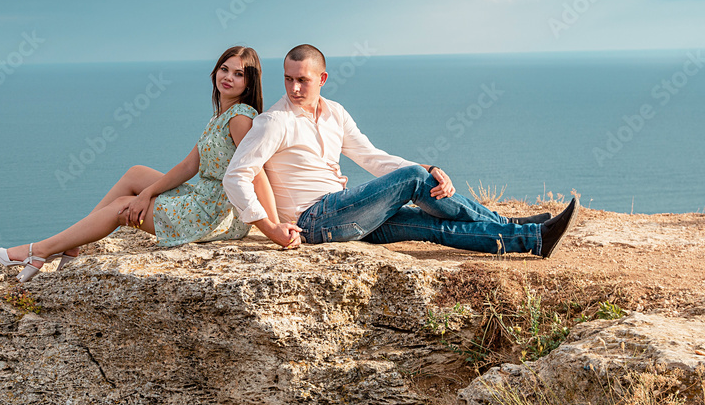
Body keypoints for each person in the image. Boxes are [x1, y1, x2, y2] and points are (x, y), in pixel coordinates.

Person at [223, 44, 578, 258]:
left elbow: (373, 158)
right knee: (411, 179)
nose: (295, 87)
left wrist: (431, 167)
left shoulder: (335, 113)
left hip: (348, 212)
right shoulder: (274, 122)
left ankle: (532, 239)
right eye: (288, 79)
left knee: (433, 226)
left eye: (303, 80)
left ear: (323, 79)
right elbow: (236, 176)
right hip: (314, 220)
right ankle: (507, 223)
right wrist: (269, 227)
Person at [0, 46, 284, 282]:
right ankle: (72, 244)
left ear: (249, 83)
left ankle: (38, 251)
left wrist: (272, 227)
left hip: (213, 213)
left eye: (239, 74)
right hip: (204, 196)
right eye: (224, 69)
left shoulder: (240, 117)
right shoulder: (220, 116)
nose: (228, 78)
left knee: (122, 206)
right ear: (215, 71)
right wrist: (146, 193)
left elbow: (255, 172)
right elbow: (187, 167)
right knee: (136, 174)